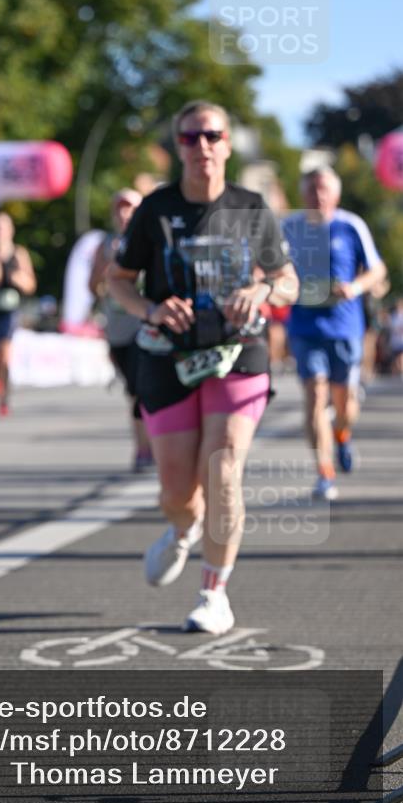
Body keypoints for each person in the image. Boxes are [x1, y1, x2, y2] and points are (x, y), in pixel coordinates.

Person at [107, 100, 298, 636]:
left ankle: (214, 591)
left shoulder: (252, 207)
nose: (202, 147)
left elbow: (289, 281)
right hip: (169, 358)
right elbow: (118, 279)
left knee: (223, 469)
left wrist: (260, 290)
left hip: (238, 354)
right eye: (190, 138)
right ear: (178, 147)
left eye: (212, 136)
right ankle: (182, 532)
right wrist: (150, 308)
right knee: (177, 493)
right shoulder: (155, 209)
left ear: (228, 145)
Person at [282, 166, 387, 500]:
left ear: (335, 193)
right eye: (312, 188)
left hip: (344, 326)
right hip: (304, 325)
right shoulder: (289, 227)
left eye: (324, 188)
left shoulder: (350, 225)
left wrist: (354, 287)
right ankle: (324, 473)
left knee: (344, 405)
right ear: (302, 193)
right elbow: (269, 268)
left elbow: (377, 269)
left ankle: (342, 434)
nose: (318, 194)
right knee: (314, 397)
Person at [89, 188, 153, 472]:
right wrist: (109, 266)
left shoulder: (150, 238)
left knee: (144, 388)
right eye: (119, 208)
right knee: (133, 390)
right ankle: (143, 447)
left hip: (146, 324)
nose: (124, 213)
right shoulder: (105, 244)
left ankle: (148, 448)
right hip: (118, 328)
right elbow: (93, 286)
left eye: (130, 208)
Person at [0, 212, 36, 416]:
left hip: (9, 311)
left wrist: (18, 279)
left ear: (10, 230)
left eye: (3, 227)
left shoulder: (18, 253)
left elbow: (31, 285)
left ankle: (5, 398)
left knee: (5, 354)